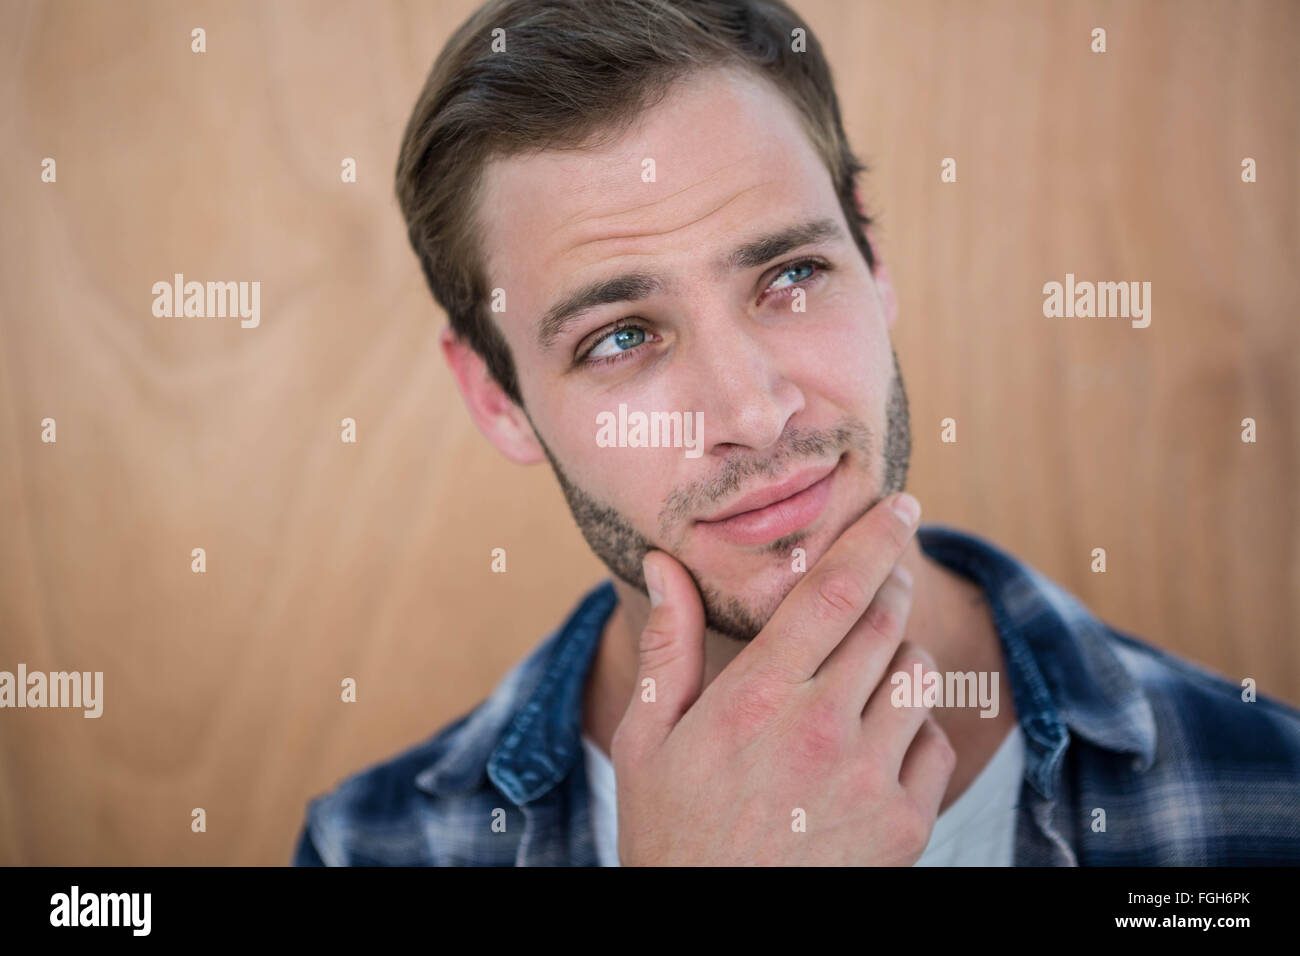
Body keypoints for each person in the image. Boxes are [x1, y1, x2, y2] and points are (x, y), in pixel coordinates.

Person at [293, 0, 1300, 866]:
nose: (752, 413)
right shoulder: (371, 849)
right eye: (621, 336)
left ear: (871, 252)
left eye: (790, 276)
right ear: (496, 397)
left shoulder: (1269, 791)